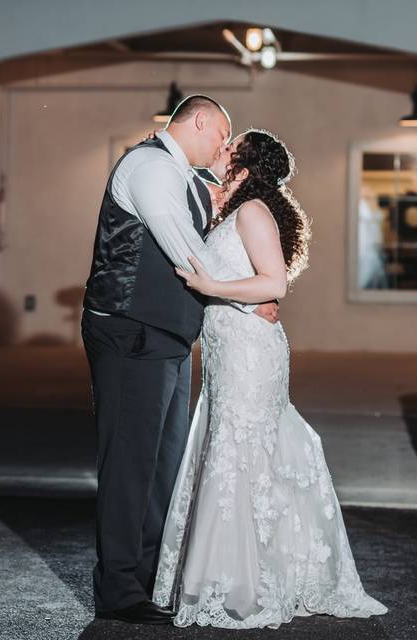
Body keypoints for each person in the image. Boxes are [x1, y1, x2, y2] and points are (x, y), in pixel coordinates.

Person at [152, 129, 389, 629]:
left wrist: (210, 286)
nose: (220, 151)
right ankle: (234, 573)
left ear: (245, 163)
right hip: (226, 346)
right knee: (232, 450)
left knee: (245, 454)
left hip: (250, 353)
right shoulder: (232, 207)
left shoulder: (254, 212)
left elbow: (273, 281)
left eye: (229, 147)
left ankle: (249, 580)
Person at [80, 95, 279, 625]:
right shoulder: (149, 167)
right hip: (131, 333)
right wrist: (250, 295)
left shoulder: (184, 177)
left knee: (161, 465)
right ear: (201, 122)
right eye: (222, 136)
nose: (222, 149)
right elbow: (187, 252)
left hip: (166, 337)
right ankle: (119, 589)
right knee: (128, 462)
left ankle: (148, 579)